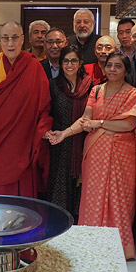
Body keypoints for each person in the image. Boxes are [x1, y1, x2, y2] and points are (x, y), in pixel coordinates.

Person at [49, 52, 136, 259]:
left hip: (122, 155)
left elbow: (129, 124)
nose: (112, 69)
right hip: (95, 154)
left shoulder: (133, 94)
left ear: (126, 71)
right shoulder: (96, 91)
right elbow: (85, 120)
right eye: (109, 65)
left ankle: (120, 248)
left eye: (118, 66)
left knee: (119, 199)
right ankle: (91, 243)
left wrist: (100, 124)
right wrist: (65, 133)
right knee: (93, 198)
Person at [0, 21, 52, 198]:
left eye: (14, 38)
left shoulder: (33, 67)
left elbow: (44, 104)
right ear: (0, 40)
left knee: (21, 193)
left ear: (22, 40)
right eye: (5, 38)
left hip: (23, 140)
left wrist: (43, 130)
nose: (10, 44)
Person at [43, 47, 92, 221]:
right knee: (59, 184)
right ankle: (60, 222)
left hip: (84, 140)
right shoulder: (53, 84)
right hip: (60, 142)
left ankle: (80, 222)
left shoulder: (90, 85)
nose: (69, 65)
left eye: (73, 61)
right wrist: (46, 131)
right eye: (65, 61)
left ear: (80, 63)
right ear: (60, 63)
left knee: (83, 183)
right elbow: (45, 110)